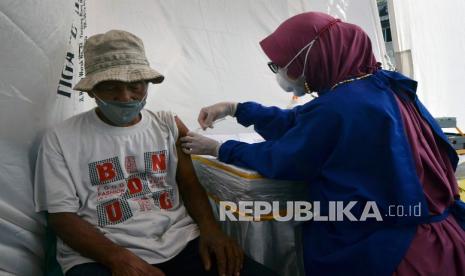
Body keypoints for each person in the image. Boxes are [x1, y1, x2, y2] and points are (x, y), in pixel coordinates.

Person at [180, 12, 465, 276]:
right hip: (441, 240)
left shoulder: (341, 105)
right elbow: (302, 124)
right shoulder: (379, 85)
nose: (278, 72)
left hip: (391, 250)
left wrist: (220, 149)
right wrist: (237, 108)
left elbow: (285, 158)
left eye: (280, 64)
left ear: (313, 56)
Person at [34, 30, 276, 276]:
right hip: (100, 253)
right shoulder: (61, 138)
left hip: (179, 242)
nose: (126, 96)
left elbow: (190, 185)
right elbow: (61, 217)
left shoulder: (167, 125)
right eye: (111, 87)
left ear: (147, 85)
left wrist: (211, 229)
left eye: (135, 85)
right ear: (91, 90)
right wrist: (116, 257)